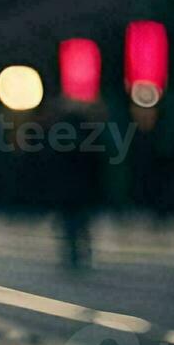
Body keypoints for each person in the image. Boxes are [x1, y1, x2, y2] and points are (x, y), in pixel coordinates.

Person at [50, 100, 106, 270]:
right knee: (82, 223)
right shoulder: (89, 133)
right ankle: (85, 252)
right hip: (83, 188)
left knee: (68, 224)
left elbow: (51, 162)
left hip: (65, 188)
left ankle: (72, 252)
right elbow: (97, 163)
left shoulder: (59, 134)